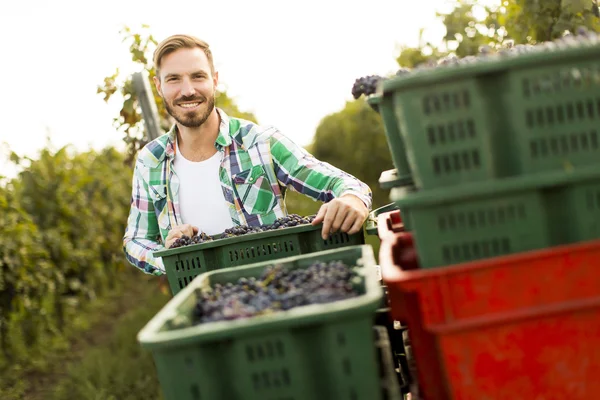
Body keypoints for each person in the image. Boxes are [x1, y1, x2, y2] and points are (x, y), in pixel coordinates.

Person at [123, 34, 373, 275]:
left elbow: (344, 184)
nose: (187, 90)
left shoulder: (260, 142)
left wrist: (352, 199)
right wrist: (169, 256)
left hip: (276, 288)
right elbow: (136, 239)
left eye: (198, 76)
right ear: (159, 86)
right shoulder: (150, 161)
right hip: (205, 304)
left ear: (215, 80)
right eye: (174, 79)